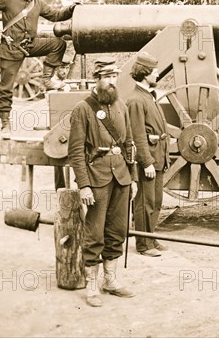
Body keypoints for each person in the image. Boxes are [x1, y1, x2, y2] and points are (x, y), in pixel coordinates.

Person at [0, 0, 78, 139]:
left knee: (58, 44)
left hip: (30, 45)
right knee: (6, 89)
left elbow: (55, 15)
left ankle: (47, 79)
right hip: (10, 49)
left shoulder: (37, 3)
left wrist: (71, 8)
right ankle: (5, 125)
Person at [68, 56, 137, 307]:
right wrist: (84, 184)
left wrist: (134, 178)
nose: (111, 82)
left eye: (114, 76)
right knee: (94, 232)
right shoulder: (82, 109)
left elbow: (129, 143)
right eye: (106, 77)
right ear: (96, 79)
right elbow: (76, 151)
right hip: (96, 178)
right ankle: (92, 286)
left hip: (121, 176)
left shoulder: (122, 105)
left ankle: (111, 280)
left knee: (117, 230)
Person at [126, 51, 171, 257]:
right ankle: (143, 244)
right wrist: (146, 162)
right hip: (149, 160)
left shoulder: (147, 96)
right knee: (145, 202)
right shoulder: (136, 100)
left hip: (158, 157)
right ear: (145, 73)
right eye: (154, 71)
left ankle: (150, 238)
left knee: (156, 201)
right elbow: (137, 136)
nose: (157, 74)